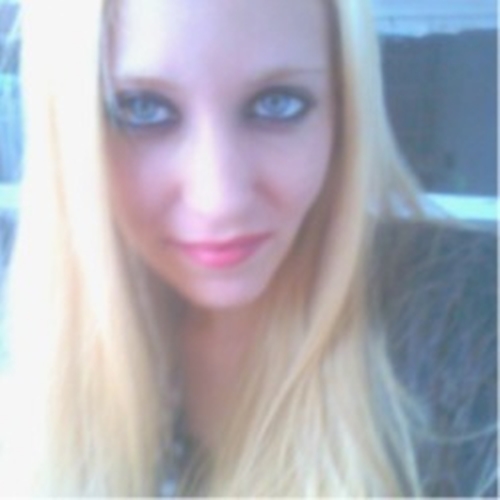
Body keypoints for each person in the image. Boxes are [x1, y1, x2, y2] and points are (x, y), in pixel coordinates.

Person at [0, 0, 496, 496]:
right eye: (141, 109)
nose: (220, 201)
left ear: (342, 113)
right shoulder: (25, 356)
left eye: (278, 103)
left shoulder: (464, 319)